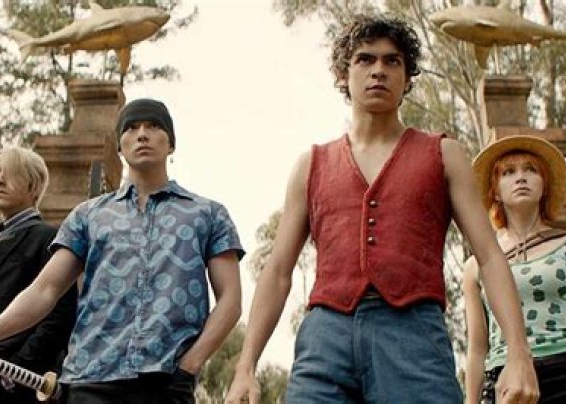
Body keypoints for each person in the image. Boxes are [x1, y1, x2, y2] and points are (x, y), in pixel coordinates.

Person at [225, 14, 538, 404]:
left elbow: (489, 256)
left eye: (392, 61)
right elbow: (277, 271)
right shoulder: (312, 164)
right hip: (325, 340)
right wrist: (246, 366)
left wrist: (518, 353)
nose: (379, 70)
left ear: (407, 78)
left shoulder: (443, 154)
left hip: (413, 336)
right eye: (365, 59)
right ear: (343, 75)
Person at [0, 98, 244, 404]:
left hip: (166, 382)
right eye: (131, 128)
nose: (142, 134)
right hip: (88, 380)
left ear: (171, 144)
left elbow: (231, 301)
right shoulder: (88, 216)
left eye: (154, 126)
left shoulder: (208, 215)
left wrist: (189, 365)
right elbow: (45, 289)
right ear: (119, 146)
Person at [464, 135, 566, 403]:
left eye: (531, 170)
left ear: (544, 185)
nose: (521, 178)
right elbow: (476, 349)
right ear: (495, 191)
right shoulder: (476, 266)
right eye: (508, 172)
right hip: (506, 383)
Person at [0, 147, 77, 404]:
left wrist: (13, 376)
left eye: (10, 173)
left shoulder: (47, 238)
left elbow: (59, 316)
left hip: (5, 382)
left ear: (33, 186)